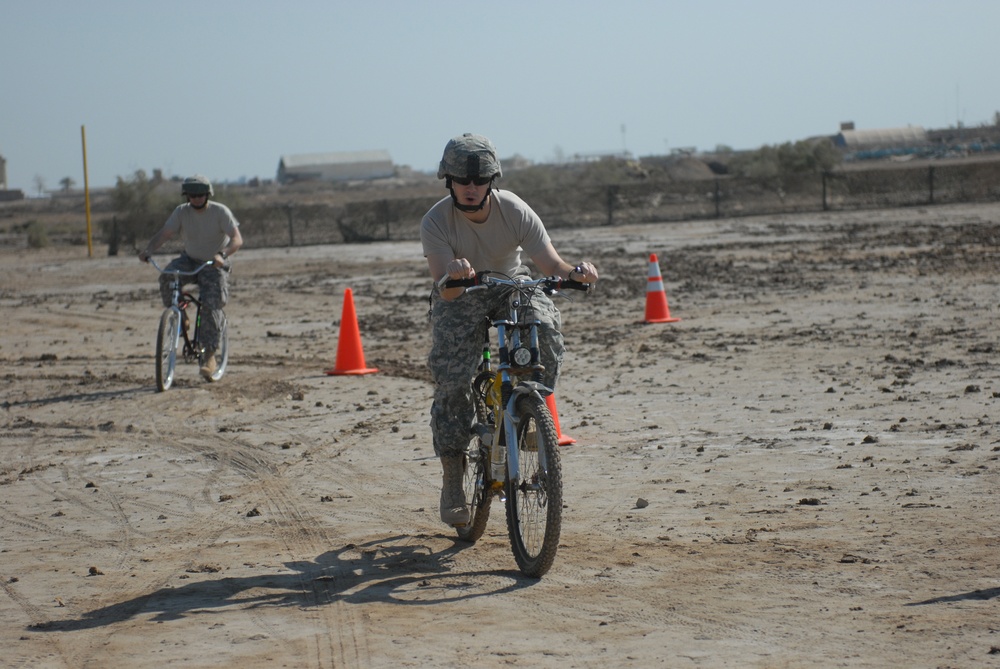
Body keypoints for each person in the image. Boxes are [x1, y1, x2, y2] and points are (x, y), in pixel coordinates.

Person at [420, 133, 599, 527]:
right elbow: (443, 288)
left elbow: (551, 264)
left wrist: (576, 273)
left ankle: (527, 413)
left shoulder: (514, 209)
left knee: (547, 329)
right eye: (461, 181)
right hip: (461, 295)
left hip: (509, 286)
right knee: (451, 379)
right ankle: (453, 473)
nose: (470, 188)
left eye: (479, 180)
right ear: (448, 181)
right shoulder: (436, 221)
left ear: (491, 181)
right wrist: (454, 274)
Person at [138, 175, 243, 381]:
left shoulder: (220, 212)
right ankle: (179, 316)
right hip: (190, 260)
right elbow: (164, 234)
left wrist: (223, 255)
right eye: (192, 195)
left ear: (208, 194)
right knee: (167, 276)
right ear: (187, 196)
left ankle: (209, 355)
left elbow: (237, 239)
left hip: (214, 263)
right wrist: (149, 249)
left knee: (211, 304)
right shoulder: (181, 212)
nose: (196, 199)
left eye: (200, 194)